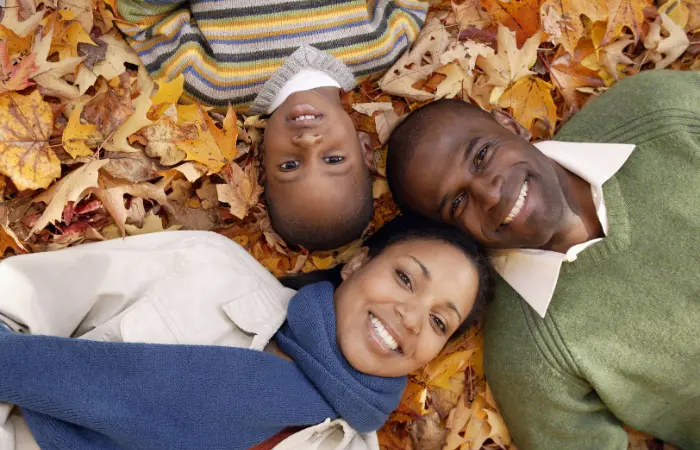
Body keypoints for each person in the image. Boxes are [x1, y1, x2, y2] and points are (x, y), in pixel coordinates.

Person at [384, 70, 700, 449]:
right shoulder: (530, 360)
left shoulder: (654, 111)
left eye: (482, 155)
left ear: (510, 125)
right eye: (457, 203)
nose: (490, 192)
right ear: (456, 236)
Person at [0, 214, 492, 450]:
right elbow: (17, 304)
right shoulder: (207, 268)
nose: (410, 317)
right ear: (359, 262)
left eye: (437, 322)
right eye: (405, 278)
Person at [114, 0, 429, 250]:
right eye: (333, 159)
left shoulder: (211, 84)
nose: (308, 142)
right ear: (364, 147)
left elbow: (142, 17)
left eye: (290, 165)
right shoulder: (383, 45)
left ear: (262, 165)